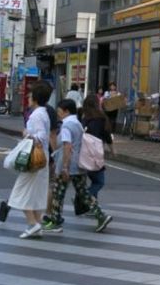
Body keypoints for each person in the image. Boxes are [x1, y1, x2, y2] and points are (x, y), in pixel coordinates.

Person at [42, 99, 112, 234]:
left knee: (58, 193)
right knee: (84, 193)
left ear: (66, 111)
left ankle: (55, 222)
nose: (58, 114)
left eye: (60, 111)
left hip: (67, 165)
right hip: (79, 164)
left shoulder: (67, 125)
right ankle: (101, 216)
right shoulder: (78, 123)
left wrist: (64, 167)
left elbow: (67, 146)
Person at [6, 81, 53, 239]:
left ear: (36, 98)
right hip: (42, 158)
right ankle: (36, 224)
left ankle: (33, 223)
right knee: (36, 193)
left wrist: (26, 133)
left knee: (20, 192)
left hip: (32, 160)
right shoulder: (44, 112)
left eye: (30, 95)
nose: (27, 97)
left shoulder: (36, 115)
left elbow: (39, 137)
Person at [80, 94, 113, 198]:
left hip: (83, 153)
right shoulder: (101, 118)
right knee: (99, 181)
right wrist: (112, 150)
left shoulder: (83, 118)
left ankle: (92, 206)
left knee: (93, 179)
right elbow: (107, 135)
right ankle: (84, 198)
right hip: (96, 153)